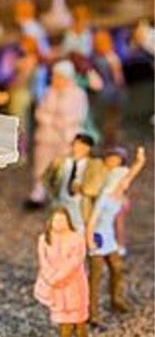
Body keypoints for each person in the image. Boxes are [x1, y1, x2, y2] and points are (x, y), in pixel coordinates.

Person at [87, 146, 146, 325]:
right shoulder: (104, 197)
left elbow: (131, 174)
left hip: (109, 236)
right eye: (122, 180)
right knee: (96, 275)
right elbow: (92, 220)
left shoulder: (118, 197)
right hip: (98, 236)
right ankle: (92, 311)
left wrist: (140, 160)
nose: (125, 182)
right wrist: (90, 240)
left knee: (116, 267)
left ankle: (116, 299)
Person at [34, 207, 94, 337]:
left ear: (68, 221)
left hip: (74, 284)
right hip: (57, 288)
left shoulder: (77, 238)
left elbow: (75, 261)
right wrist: (50, 278)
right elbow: (44, 261)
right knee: (64, 322)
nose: (59, 223)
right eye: (56, 220)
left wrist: (58, 276)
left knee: (79, 320)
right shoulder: (44, 239)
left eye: (62, 220)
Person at [28, 61, 89, 208]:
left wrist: (63, 122)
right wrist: (49, 120)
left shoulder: (78, 94)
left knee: (66, 165)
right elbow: (40, 112)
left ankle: (64, 193)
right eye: (54, 76)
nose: (55, 79)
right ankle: (39, 189)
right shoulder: (49, 92)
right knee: (42, 163)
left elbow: (80, 115)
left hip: (66, 136)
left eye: (58, 77)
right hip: (47, 134)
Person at [41, 133, 106, 232]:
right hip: (61, 203)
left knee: (79, 232)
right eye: (75, 144)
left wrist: (82, 188)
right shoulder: (61, 161)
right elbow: (46, 178)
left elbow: (97, 186)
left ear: (88, 148)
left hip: (80, 207)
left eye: (81, 145)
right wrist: (53, 195)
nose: (76, 147)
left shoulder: (95, 165)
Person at [90, 31, 127, 148]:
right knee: (109, 119)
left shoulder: (101, 58)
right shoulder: (106, 58)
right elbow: (118, 79)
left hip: (108, 93)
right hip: (108, 93)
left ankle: (110, 141)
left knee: (110, 120)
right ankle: (109, 141)